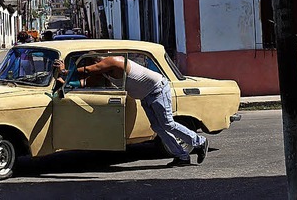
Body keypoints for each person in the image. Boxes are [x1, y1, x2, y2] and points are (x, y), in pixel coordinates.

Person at [53, 54, 209, 167]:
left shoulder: (113, 61)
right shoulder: (104, 71)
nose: (93, 69)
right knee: (157, 127)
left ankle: (200, 142)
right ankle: (181, 156)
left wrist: (64, 71)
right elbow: (84, 82)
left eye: (89, 65)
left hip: (157, 90)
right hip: (145, 95)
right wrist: (62, 81)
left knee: (167, 123)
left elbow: (87, 71)